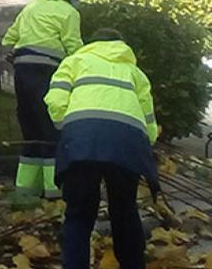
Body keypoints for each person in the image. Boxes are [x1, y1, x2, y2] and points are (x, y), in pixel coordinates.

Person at [45, 28, 159, 269]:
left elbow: (55, 100)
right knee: (125, 208)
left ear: (91, 43)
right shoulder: (135, 73)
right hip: (126, 144)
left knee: (79, 211)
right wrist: (147, 143)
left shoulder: (73, 62)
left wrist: (68, 128)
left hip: (82, 142)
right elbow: (148, 119)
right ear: (121, 45)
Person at [1, 0, 84, 198]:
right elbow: (73, 46)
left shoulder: (32, 7)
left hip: (22, 71)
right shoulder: (69, 13)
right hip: (47, 73)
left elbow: (10, 38)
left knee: (31, 132)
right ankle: (54, 190)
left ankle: (25, 190)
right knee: (50, 131)